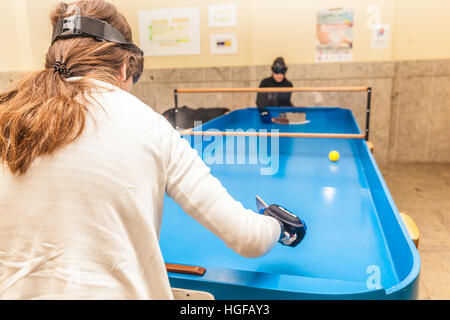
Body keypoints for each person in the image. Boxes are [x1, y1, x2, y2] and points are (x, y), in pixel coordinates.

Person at [0, 0, 305, 300]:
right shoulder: (149, 125)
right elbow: (247, 237)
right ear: (123, 68)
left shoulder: (7, 118)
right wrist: (277, 225)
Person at [256, 57, 294, 124]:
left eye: (282, 73)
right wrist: (264, 112)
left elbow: (286, 102)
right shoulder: (265, 82)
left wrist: (295, 109)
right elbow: (260, 100)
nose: (279, 75)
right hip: (266, 114)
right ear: (272, 72)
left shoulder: (288, 84)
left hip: (281, 116)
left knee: (282, 133)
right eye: (277, 73)